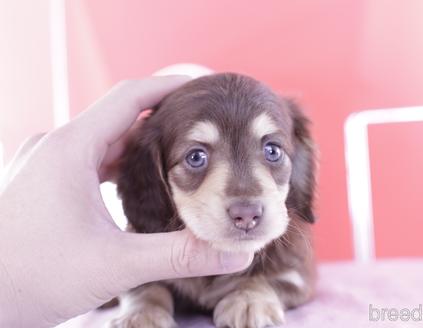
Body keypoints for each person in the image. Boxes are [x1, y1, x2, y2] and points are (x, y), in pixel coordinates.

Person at [0, 76, 253, 328]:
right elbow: (138, 281)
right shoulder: (148, 227)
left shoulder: (284, 253)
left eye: (272, 151)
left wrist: (259, 291)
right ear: (156, 173)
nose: (247, 206)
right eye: (196, 156)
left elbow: (290, 276)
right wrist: (147, 303)